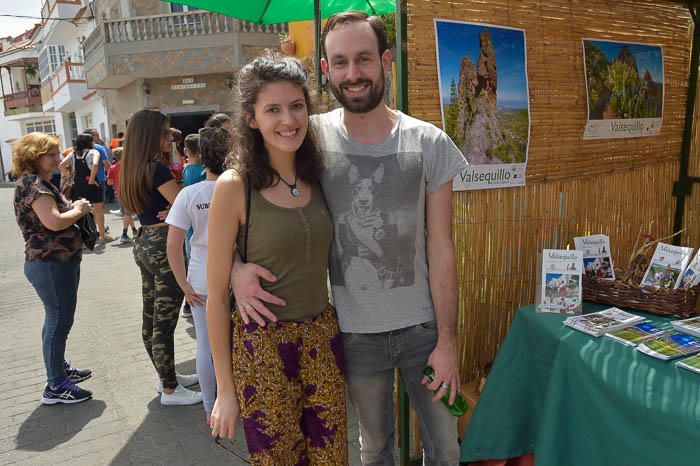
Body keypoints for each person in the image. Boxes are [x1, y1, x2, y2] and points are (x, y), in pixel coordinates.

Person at [231, 11, 467, 465]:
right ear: (325, 68)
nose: (353, 73)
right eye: (340, 62)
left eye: (363, 59)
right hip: (352, 331)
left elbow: (441, 247)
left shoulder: (429, 143)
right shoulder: (306, 137)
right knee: (375, 448)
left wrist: (448, 341)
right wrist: (235, 271)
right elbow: (243, 195)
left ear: (385, 61)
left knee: (446, 446)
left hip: (424, 330)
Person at [207, 53, 348, 465]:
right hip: (263, 350)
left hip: (322, 339)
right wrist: (225, 392)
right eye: (273, 109)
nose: (288, 119)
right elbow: (215, 297)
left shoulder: (319, 173)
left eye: (297, 106)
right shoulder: (235, 187)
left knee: (331, 459)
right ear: (251, 118)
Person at [120, 109, 202, 406]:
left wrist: (177, 206)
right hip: (162, 245)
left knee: (151, 317)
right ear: (151, 136)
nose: (171, 138)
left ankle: (166, 378)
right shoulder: (156, 169)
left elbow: (178, 203)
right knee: (163, 324)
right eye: (166, 133)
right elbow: (187, 202)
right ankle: (170, 389)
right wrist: (179, 206)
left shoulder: (131, 166)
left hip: (144, 242)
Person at [12, 132, 93, 404]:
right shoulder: (35, 185)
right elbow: (55, 222)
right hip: (51, 262)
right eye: (52, 155)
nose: (58, 159)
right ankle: (56, 384)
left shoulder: (35, 183)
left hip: (54, 261)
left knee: (55, 319)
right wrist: (80, 209)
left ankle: (58, 369)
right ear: (34, 156)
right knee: (59, 319)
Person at [166, 126, 230, 425]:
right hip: (236, 277)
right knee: (237, 341)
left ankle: (210, 406)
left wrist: (183, 284)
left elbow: (173, 247)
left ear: (201, 157)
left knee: (206, 344)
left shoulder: (189, 194)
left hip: (201, 279)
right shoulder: (241, 188)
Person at [59, 133, 114, 244]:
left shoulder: (73, 153)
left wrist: (69, 177)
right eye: (92, 141)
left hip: (77, 185)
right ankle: (102, 236)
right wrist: (92, 179)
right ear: (89, 142)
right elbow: (95, 165)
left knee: (79, 211)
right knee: (98, 210)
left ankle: (83, 239)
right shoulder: (93, 152)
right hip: (92, 185)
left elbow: (61, 165)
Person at [106, 147, 137, 243]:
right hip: (129, 192)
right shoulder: (130, 166)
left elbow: (109, 183)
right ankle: (124, 233)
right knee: (127, 213)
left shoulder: (112, 168)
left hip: (119, 193)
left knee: (126, 213)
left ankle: (134, 230)